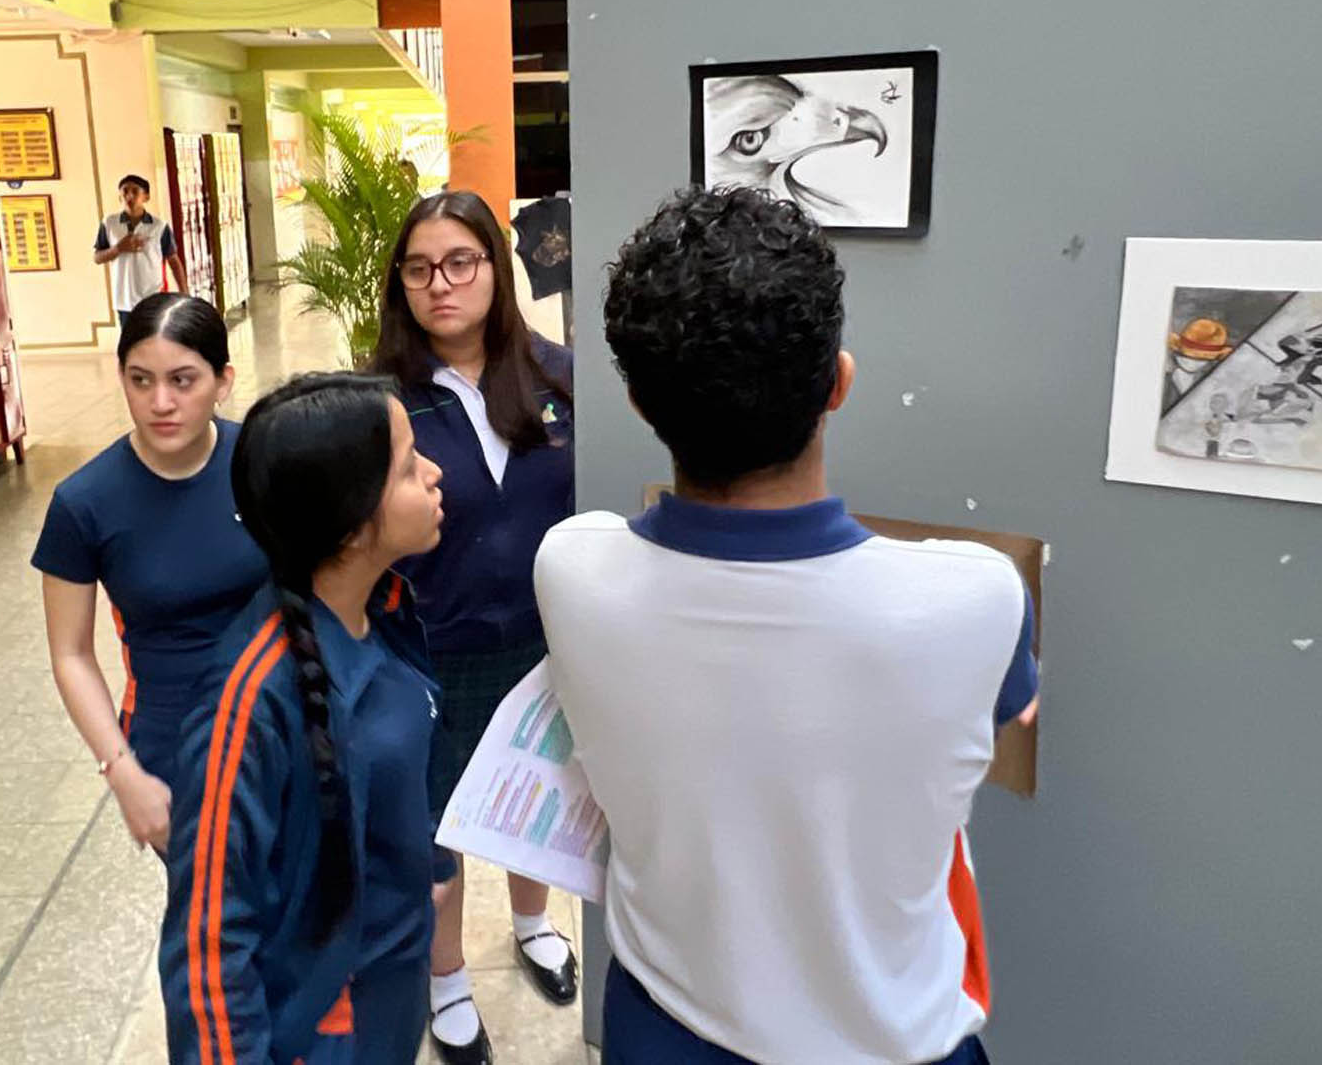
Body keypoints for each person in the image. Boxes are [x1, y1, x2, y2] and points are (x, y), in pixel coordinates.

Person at [536, 187, 1041, 1065]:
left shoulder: (571, 568)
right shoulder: (975, 599)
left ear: (641, 403)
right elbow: (1009, 708)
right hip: (898, 1043)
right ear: (838, 382)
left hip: (663, 1032)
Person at [160, 373, 445, 1063]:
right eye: (410, 466)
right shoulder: (249, 701)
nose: (435, 473)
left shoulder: (384, 612)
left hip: (392, 1002)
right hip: (325, 1034)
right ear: (351, 523)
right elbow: (209, 944)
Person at [372, 190, 578, 1065]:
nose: (440, 284)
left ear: (496, 267)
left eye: (460, 262)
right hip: (427, 647)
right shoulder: (383, 400)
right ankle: (446, 978)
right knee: (435, 822)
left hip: (546, 641)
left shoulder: (558, 376)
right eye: (419, 269)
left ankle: (533, 924)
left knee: (533, 792)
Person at [32, 294, 267, 854]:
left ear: (223, 381)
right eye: (141, 381)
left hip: (285, 724)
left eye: (183, 381)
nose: (161, 403)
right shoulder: (84, 503)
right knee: (213, 904)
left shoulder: (266, 461)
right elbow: (71, 655)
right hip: (173, 745)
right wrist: (122, 772)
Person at [96, 174, 190, 327]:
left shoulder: (159, 226)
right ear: (119, 196)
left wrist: (185, 294)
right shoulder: (109, 224)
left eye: (135, 191)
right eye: (125, 191)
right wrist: (118, 248)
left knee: (155, 337)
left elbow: (173, 260)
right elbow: (97, 257)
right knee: (131, 340)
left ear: (146, 196)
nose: (129, 196)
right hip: (124, 300)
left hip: (154, 298)